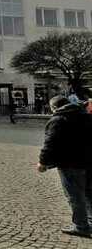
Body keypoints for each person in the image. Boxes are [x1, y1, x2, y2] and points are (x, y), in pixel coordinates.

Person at [37, 95, 92, 238]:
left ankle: (81, 226)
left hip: (69, 164)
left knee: (74, 195)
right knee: (88, 193)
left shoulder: (58, 120)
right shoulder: (85, 116)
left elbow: (50, 144)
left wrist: (42, 163)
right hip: (88, 162)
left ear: (54, 107)